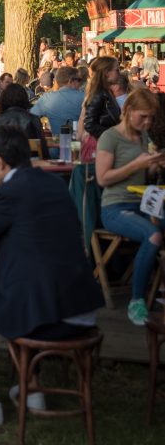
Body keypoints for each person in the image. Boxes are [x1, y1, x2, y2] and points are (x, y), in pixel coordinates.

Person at [0, 126, 104, 427]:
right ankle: (33, 389)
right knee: (24, 293)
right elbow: (28, 225)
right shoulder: (54, 183)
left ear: (0, 161)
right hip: (83, 307)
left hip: (47, 315)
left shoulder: (4, 194)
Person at [96, 88, 165, 326]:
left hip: (143, 202)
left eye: (151, 118)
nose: (147, 122)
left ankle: (160, 287)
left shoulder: (143, 137)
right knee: (154, 235)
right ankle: (137, 300)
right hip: (115, 206)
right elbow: (103, 178)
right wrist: (137, 164)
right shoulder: (110, 137)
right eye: (143, 117)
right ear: (128, 111)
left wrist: (156, 164)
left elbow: (145, 173)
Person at [0, 83, 49, 157]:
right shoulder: (33, 119)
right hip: (29, 162)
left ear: (3, 99)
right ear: (24, 99)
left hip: (3, 163)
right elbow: (42, 147)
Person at [82, 55, 121, 156]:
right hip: (102, 147)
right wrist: (111, 134)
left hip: (106, 144)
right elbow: (89, 124)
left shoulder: (105, 92)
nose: (119, 73)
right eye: (117, 70)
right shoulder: (99, 94)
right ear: (107, 72)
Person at [30, 66, 85, 135]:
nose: (80, 83)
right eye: (79, 80)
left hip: (57, 142)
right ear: (70, 81)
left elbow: (31, 117)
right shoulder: (84, 97)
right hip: (81, 143)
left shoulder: (47, 98)